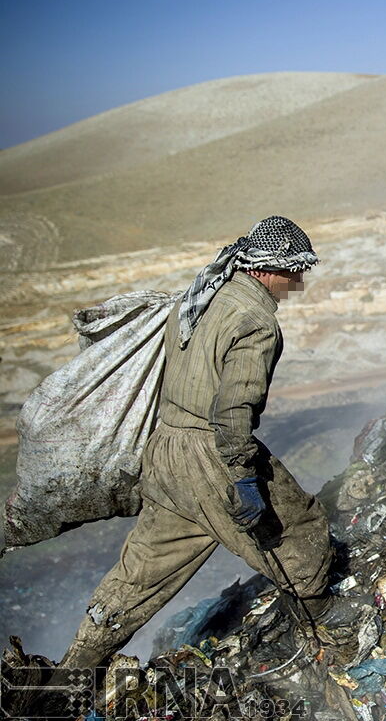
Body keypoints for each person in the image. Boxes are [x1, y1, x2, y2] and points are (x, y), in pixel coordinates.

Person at [58, 216, 359, 671]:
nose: (298, 280)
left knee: (145, 567)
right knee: (296, 527)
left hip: (165, 452)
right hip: (212, 453)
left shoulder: (197, 298)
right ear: (265, 269)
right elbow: (234, 410)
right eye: (293, 271)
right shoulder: (255, 321)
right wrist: (244, 479)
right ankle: (327, 624)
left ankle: (74, 670)